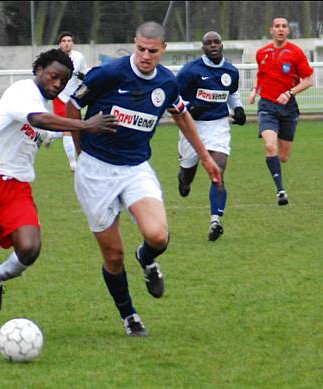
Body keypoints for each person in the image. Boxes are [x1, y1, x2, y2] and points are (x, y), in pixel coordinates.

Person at [0, 49, 117, 343]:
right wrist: (83, 125)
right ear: (38, 69)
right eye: (53, 76)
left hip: (16, 188)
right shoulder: (22, 91)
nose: (57, 84)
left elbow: (47, 128)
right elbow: (38, 120)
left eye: (63, 81)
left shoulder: (46, 106)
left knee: (30, 248)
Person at [67, 22, 222, 336]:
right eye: (140, 49)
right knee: (113, 254)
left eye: (153, 51)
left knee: (157, 236)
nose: (145, 56)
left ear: (163, 49)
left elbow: (180, 114)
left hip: (136, 168)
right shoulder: (108, 74)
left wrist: (205, 157)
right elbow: (72, 107)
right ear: (134, 44)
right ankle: (129, 317)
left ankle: (147, 259)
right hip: (95, 172)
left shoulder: (167, 82)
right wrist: (81, 151)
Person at [175, 31, 246, 241]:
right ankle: (184, 181)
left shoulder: (231, 71)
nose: (213, 46)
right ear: (203, 47)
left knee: (218, 171)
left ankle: (216, 220)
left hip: (218, 125)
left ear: (222, 45)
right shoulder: (190, 70)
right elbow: (174, 94)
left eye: (216, 42)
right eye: (208, 43)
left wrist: (239, 108)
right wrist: (188, 108)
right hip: (192, 127)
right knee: (188, 173)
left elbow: (232, 92)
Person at [248, 17, 314, 206]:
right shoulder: (262, 53)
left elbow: (308, 80)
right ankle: (280, 191)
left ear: (288, 31)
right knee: (270, 146)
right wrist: (254, 90)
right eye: (277, 26)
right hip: (267, 106)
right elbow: (260, 75)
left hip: (288, 109)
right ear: (271, 30)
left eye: (284, 26)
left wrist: (289, 92)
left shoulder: (295, 53)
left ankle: (275, 155)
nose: (280, 29)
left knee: (283, 157)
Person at [48, 32, 89, 172]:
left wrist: (83, 77)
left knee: (74, 127)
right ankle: (73, 163)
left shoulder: (79, 57)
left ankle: (50, 133)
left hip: (74, 97)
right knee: (68, 128)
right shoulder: (54, 58)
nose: (67, 43)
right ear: (60, 43)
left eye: (69, 40)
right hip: (60, 95)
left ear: (73, 43)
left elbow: (84, 73)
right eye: (64, 41)